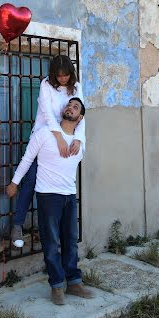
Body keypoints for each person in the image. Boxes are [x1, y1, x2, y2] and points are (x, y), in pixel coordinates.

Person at [6, 98, 93, 305]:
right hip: (47, 195)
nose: (70, 108)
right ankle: (56, 285)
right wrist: (14, 182)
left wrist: (79, 138)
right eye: (69, 105)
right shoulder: (44, 133)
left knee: (71, 241)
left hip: (69, 196)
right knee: (51, 243)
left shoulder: (79, 143)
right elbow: (27, 159)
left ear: (80, 118)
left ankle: (74, 282)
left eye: (76, 107)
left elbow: (80, 137)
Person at [11, 55, 86, 247]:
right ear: (54, 74)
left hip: (67, 139)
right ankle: (17, 225)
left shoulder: (76, 87)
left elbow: (82, 114)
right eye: (59, 75)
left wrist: (78, 138)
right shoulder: (46, 85)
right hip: (45, 137)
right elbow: (47, 113)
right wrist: (58, 137)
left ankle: (57, 232)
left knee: (62, 187)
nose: (63, 79)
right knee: (31, 180)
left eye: (66, 75)